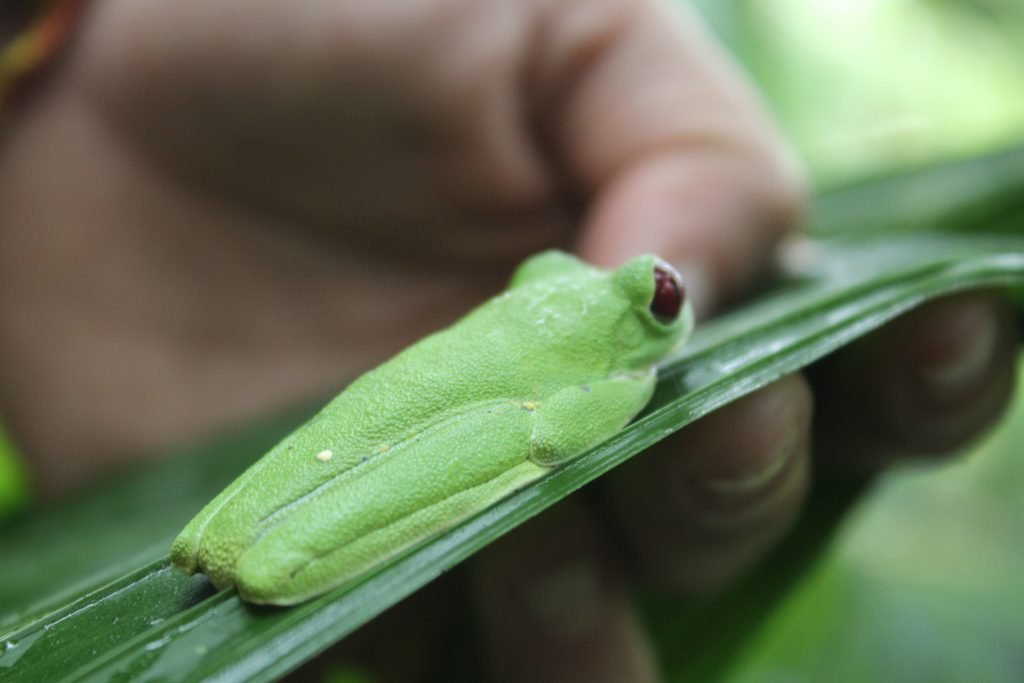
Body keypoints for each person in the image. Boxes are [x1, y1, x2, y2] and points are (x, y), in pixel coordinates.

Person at [0, 1, 1017, 680]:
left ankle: (236, 534)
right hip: (484, 416)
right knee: (515, 433)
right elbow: (565, 426)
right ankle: (258, 550)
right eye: (657, 289)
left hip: (402, 416)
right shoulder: (604, 356)